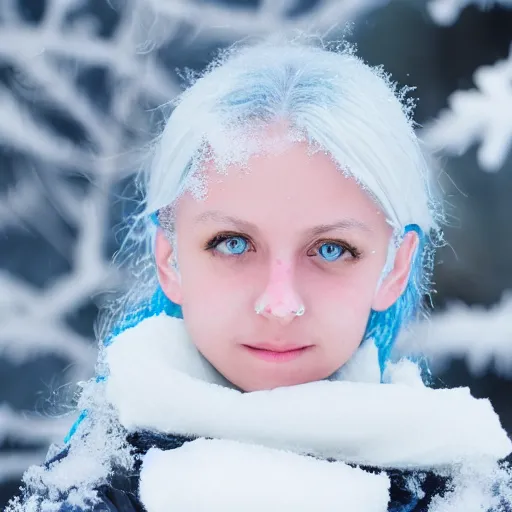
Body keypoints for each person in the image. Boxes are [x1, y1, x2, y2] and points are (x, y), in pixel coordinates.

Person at [7, 39, 511, 512]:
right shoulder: (87, 491)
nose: (280, 302)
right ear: (169, 257)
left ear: (394, 267)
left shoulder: (467, 491)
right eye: (233, 243)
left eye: (332, 249)